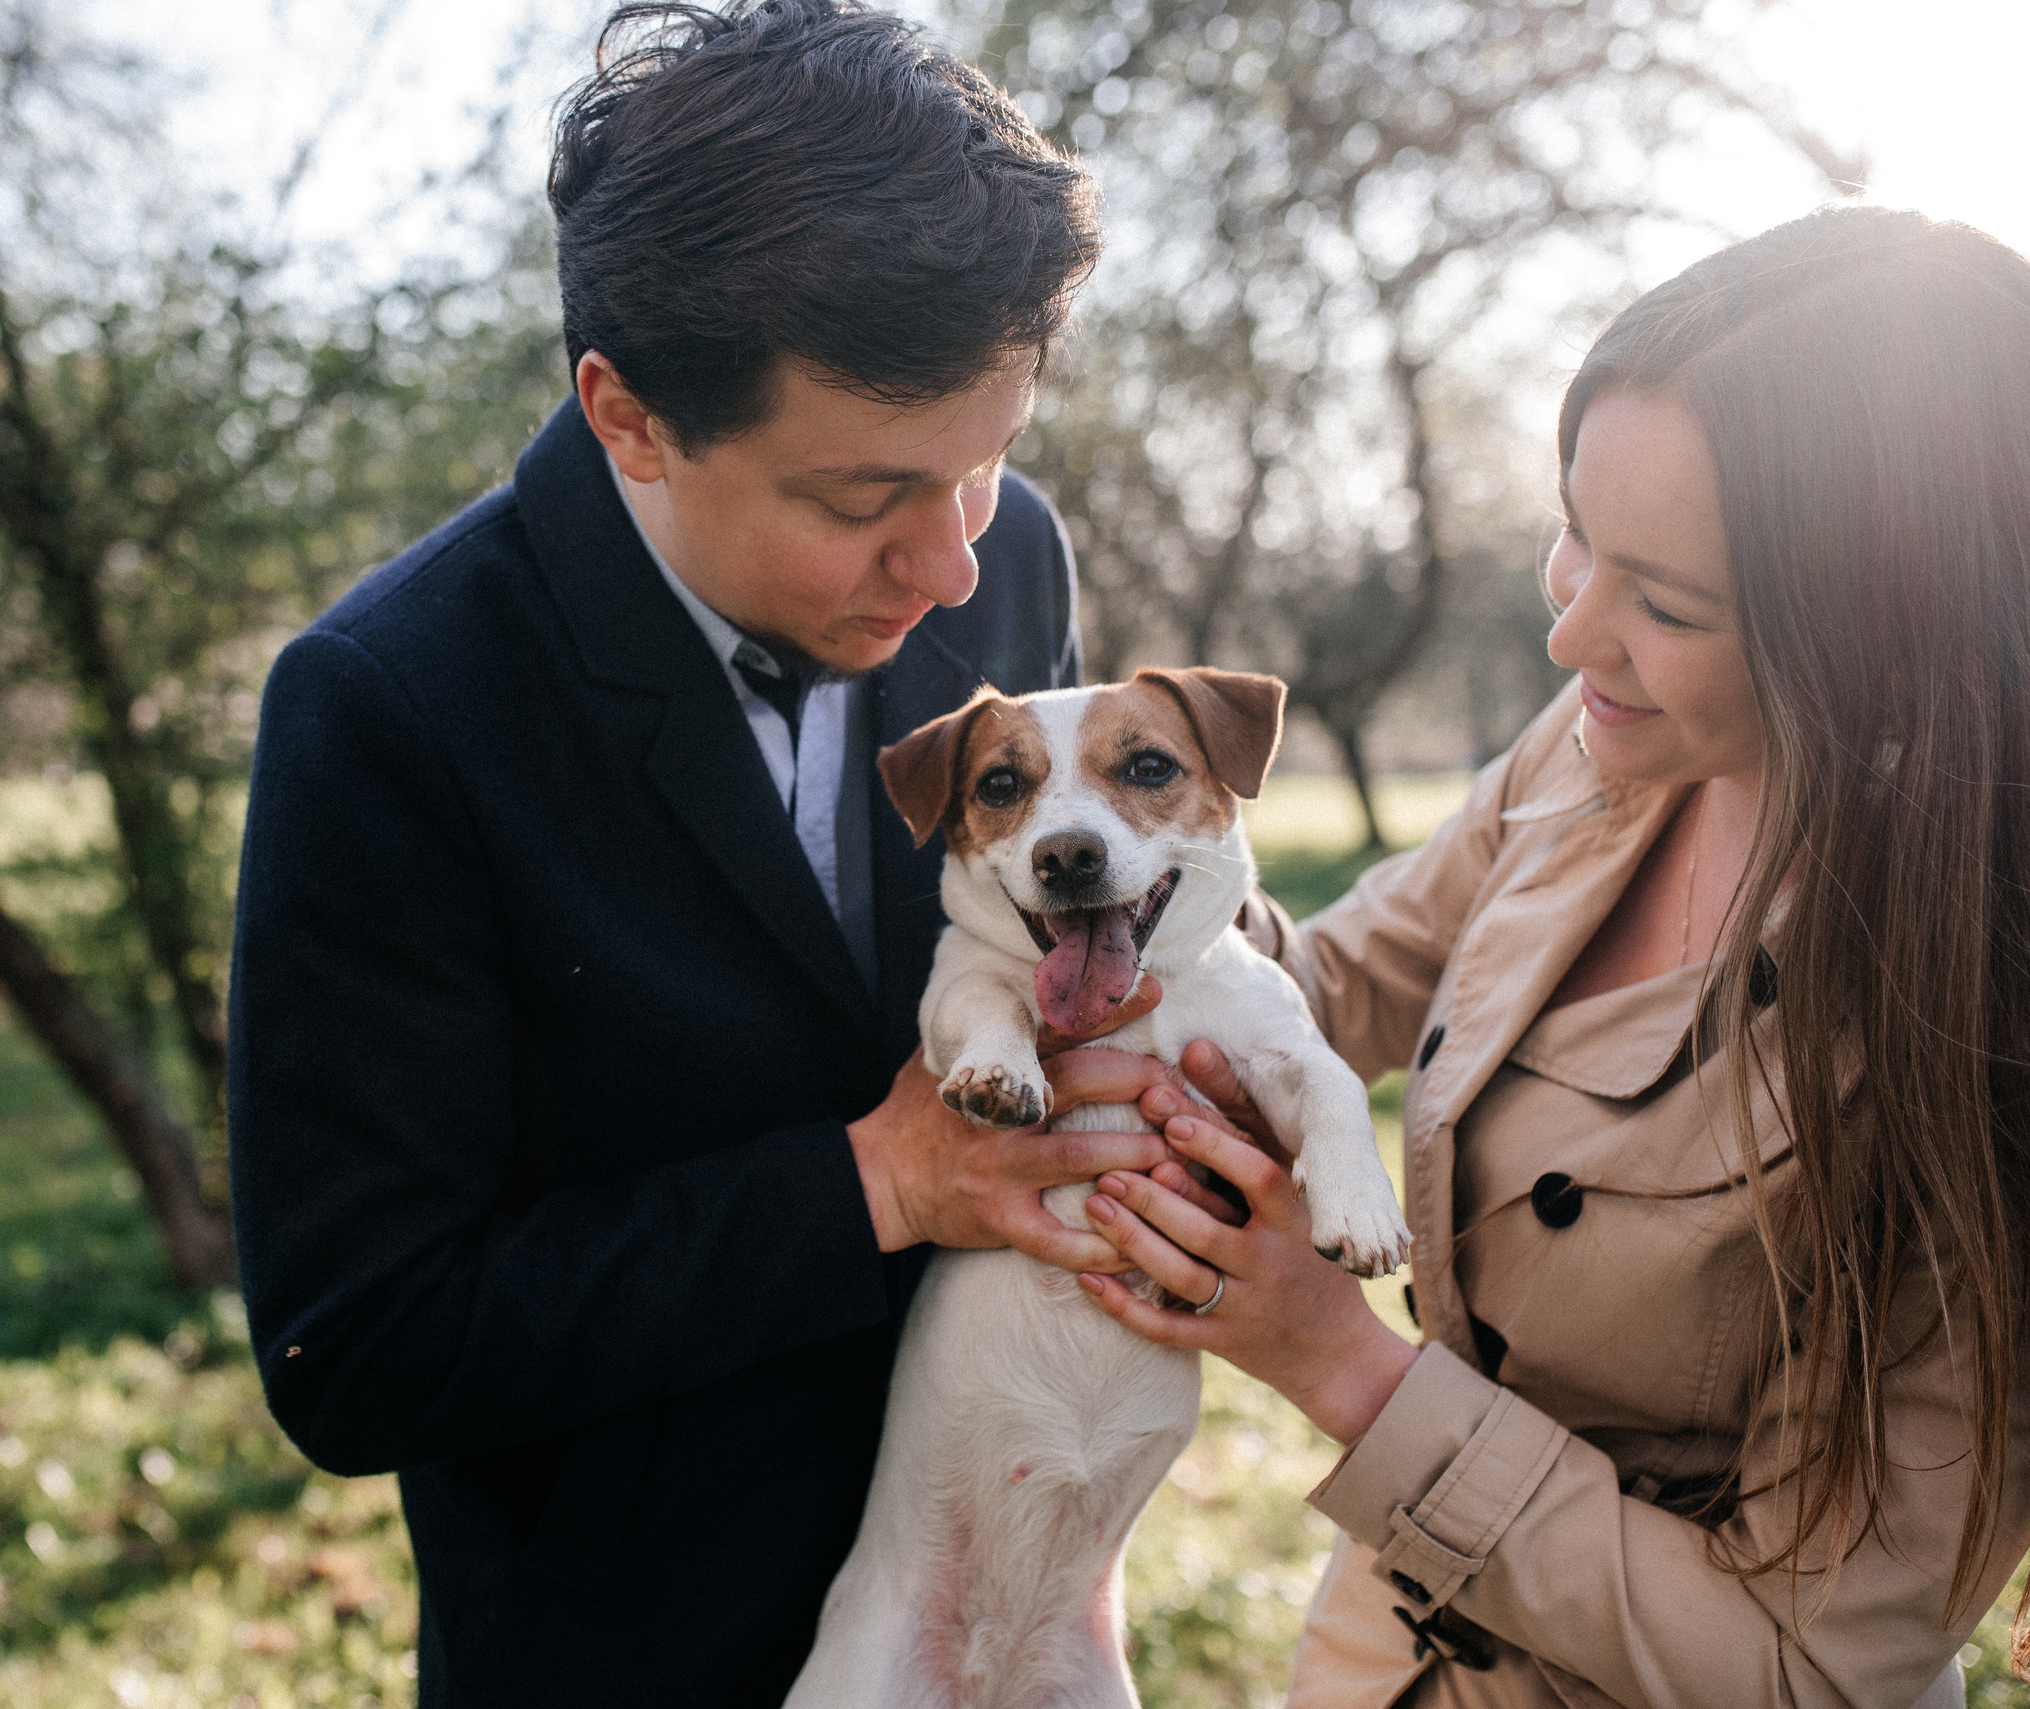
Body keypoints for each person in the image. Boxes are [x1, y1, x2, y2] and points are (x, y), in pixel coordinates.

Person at [225, 3, 1179, 1702]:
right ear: (630, 416)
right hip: (642, 1651)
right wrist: (873, 1184)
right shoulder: (388, 704)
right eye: (862, 500)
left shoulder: (1007, 553)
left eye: (987, 462)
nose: (953, 568)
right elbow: (357, 1343)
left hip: (1013, 1609)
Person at [1072, 203, 2030, 1708]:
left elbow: (1812, 1662)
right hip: (1375, 1661)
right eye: (1577, 533)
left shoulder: (1978, 1026)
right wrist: (1118, 861)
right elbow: (1340, 979)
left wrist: (1343, 1364)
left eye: (1670, 603)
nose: (1573, 637)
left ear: (1887, 636)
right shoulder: (1605, 746)